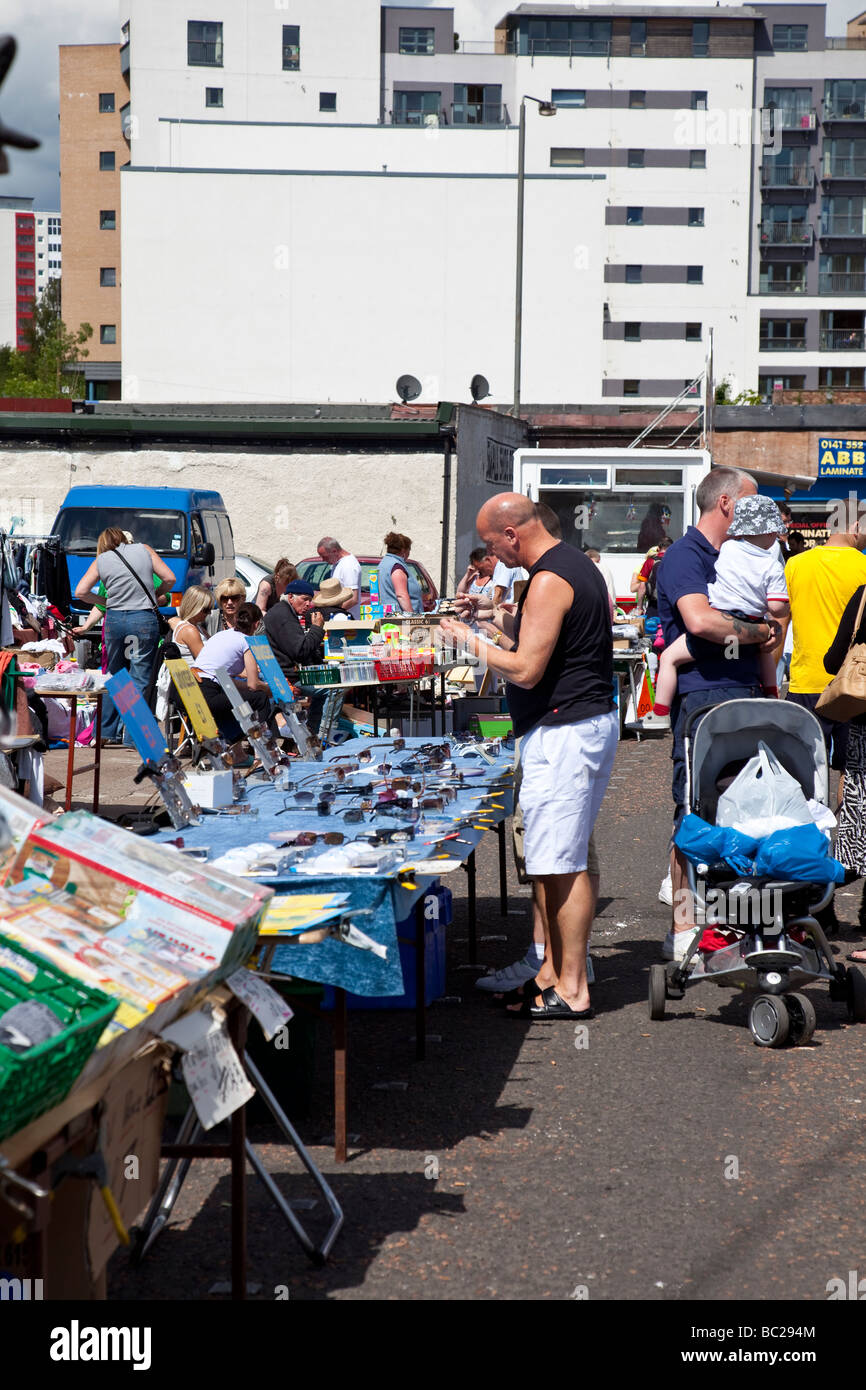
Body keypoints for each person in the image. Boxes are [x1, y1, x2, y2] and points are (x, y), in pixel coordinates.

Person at [443, 493, 616, 1021]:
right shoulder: (570, 566)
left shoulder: (547, 578)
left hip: (568, 729)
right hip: (567, 726)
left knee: (563, 863)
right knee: (549, 860)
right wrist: (494, 624)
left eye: (493, 546)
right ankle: (550, 973)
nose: (493, 557)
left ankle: (573, 987)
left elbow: (526, 670)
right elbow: (543, 643)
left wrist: (466, 640)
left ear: (512, 534)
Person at [655, 467, 782, 964]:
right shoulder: (686, 555)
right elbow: (701, 621)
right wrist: (759, 632)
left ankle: (738, 919)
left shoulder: (743, 552)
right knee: (693, 809)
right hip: (704, 698)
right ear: (728, 504)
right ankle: (683, 926)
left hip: (744, 691)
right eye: (752, 503)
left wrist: (765, 636)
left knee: (748, 806)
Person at [641, 496, 790, 732]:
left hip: (719, 621)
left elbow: (701, 622)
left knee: (669, 657)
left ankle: (660, 712)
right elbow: (777, 606)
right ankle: (772, 695)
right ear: (773, 533)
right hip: (751, 621)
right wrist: (772, 622)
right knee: (765, 652)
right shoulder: (773, 565)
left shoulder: (727, 548)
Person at [785, 514, 866, 792]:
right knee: (853, 769)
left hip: (804, 681)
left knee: (800, 767)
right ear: (856, 527)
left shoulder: (795, 564)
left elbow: (781, 624)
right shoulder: (864, 566)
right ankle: (845, 827)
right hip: (852, 686)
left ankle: (808, 826)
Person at [74, 528, 176, 748]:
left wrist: (104, 600)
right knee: (140, 677)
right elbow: (170, 578)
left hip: (115, 620)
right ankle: (133, 736)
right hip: (142, 618)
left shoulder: (102, 559)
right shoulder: (145, 550)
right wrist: (156, 595)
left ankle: (103, 732)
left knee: (115, 675)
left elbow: (81, 591)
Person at [824, 586, 866, 948]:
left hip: (864, 729)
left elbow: (833, 658)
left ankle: (815, 897)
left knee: (857, 830)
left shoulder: (864, 595)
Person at [191, 602, 271, 754]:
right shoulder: (246, 641)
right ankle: (261, 753)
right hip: (208, 694)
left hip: (191, 689)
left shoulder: (220, 635)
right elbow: (253, 684)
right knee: (260, 699)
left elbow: (224, 679)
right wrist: (268, 689)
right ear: (257, 624)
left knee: (236, 699)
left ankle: (232, 746)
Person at [316, 538, 362, 621]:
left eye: (325, 557)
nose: (323, 560)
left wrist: (331, 612)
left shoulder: (349, 565)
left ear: (334, 551)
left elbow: (353, 598)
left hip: (348, 622)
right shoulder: (338, 564)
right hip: (340, 619)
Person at [377, 532, 423, 614]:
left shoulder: (384, 563)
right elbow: (401, 595)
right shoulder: (396, 566)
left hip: (389, 615)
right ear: (403, 550)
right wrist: (412, 617)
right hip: (400, 619)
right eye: (409, 550)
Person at [167, 585, 213, 665]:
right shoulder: (190, 630)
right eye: (206, 610)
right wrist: (225, 677)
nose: (209, 613)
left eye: (210, 609)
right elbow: (206, 663)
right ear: (194, 607)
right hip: (195, 676)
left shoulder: (197, 628)